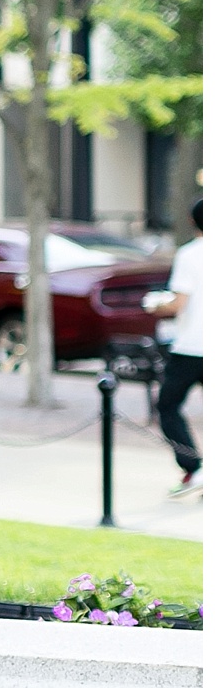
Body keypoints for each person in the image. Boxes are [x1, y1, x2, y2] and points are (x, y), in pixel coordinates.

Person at [152, 199, 202, 497]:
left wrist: (157, 306)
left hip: (192, 346)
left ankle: (194, 468)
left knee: (168, 407)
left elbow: (179, 303)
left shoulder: (190, 255)